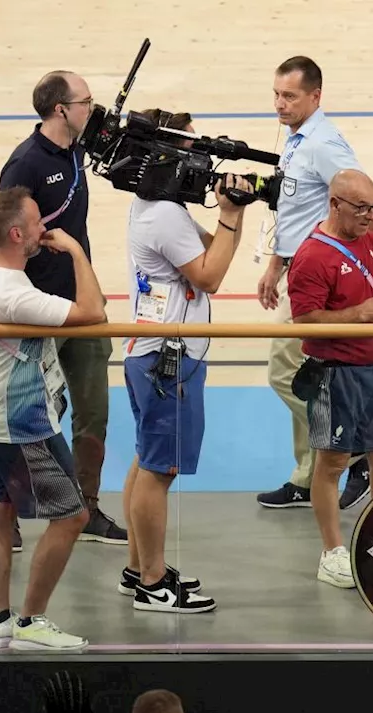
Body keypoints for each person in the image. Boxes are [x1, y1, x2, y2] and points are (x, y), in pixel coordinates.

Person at [120, 109, 252, 613]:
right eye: (192, 151)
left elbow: (210, 251)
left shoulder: (153, 205)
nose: (198, 162)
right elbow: (211, 275)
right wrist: (232, 217)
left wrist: (230, 213)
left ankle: (139, 568)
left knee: (146, 460)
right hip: (167, 362)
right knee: (160, 470)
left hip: (151, 352)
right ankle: (153, 583)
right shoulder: (166, 216)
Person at [0, 187, 107, 651]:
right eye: (35, 223)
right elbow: (93, 311)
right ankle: (31, 623)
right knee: (72, 516)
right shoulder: (13, 295)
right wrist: (75, 250)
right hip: (21, 419)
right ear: (14, 234)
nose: (43, 229)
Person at [0, 70, 126, 547]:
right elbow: (6, 235)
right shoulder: (25, 164)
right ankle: (5, 513)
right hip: (38, 311)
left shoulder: (77, 147)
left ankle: (87, 508)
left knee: (94, 411)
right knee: (29, 415)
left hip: (84, 305)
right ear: (60, 110)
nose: (92, 108)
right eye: (86, 101)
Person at [255, 56, 371, 512]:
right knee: (307, 377)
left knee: (283, 373)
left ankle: (354, 445)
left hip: (317, 280)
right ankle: (307, 476)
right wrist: (274, 266)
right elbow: (297, 211)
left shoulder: (324, 144)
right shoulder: (296, 140)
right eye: (277, 95)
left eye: (290, 96)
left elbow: (369, 202)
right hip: (296, 270)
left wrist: (364, 270)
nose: (279, 104)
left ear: (315, 97)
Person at [288, 169, 373, 589]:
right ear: (334, 204)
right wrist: (360, 314)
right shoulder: (311, 257)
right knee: (333, 462)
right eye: (361, 208)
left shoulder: (370, 242)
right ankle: (332, 553)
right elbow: (306, 322)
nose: (370, 216)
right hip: (333, 373)